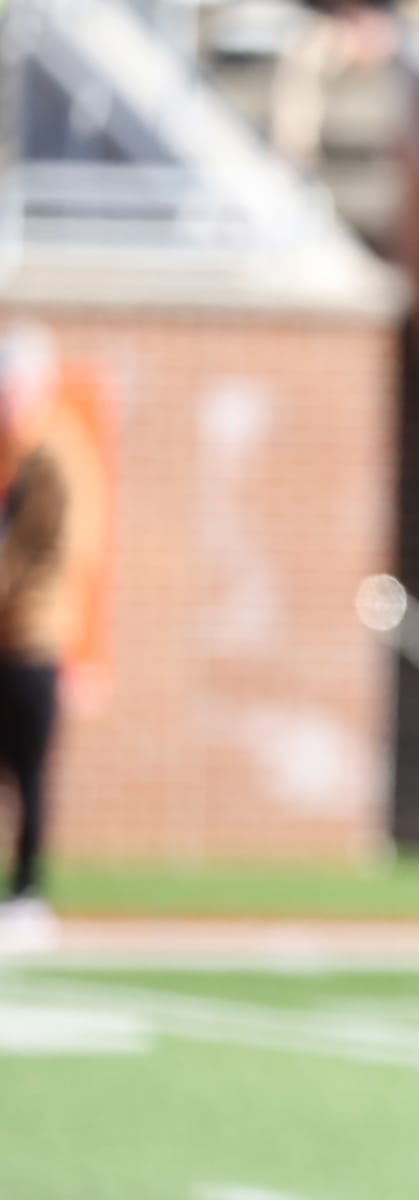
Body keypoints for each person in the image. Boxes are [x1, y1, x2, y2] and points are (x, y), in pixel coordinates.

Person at [0, 319, 69, 950]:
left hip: (32, 645)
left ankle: (27, 892)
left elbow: (37, 556)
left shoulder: (54, 459)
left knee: (32, 773)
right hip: (10, 642)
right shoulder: (22, 460)